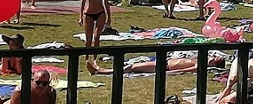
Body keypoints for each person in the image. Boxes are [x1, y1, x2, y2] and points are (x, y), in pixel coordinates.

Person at [79, 0, 111, 73]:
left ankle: (95, 58)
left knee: (97, 36)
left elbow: (106, 2)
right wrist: (80, 17)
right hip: (88, 13)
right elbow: (83, 2)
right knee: (88, 38)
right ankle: (87, 58)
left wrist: (109, 16)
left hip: (100, 12)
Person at [88, 54, 225, 75]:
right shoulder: (200, 59)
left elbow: (188, 70)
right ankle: (101, 69)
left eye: (215, 57)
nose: (212, 56)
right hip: (163, 62)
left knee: (131, 68)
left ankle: (101, 71)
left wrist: (169, 73)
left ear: (215, 63)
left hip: (164, 67)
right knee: (132, 66)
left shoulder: (200, 66)